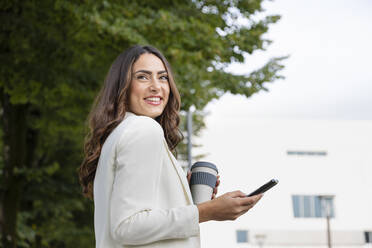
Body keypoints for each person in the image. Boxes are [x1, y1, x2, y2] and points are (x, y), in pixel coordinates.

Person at [79, 45, 262, 248]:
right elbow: (127, 226)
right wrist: (207, 211)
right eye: (143, 77)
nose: (156, 86)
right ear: (122, 86)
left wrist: (178, 193)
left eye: (163, 77)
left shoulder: (119, 133)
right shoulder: (144, 129)